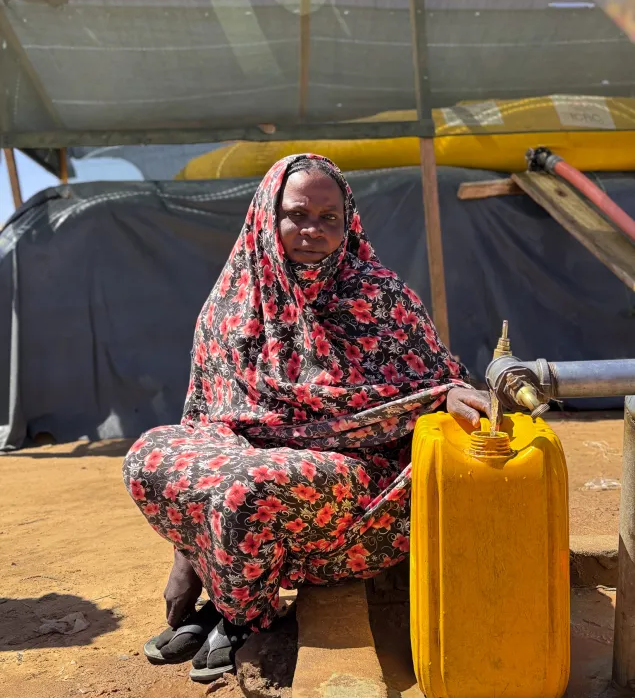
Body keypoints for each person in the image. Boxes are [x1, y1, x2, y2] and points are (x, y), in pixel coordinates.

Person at [123, 153, 490, 683]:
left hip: (358, 478)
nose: (312, 229)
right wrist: (186, 557)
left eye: (329, 218)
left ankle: (249, 618)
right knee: (149, 458)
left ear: (349, 224)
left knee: (245, 488)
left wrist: (451, 394)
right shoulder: (232, 302)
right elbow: (203, 417)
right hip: (248, 457)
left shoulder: (379, 295)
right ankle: (226, 580)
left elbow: (436, 380)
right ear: (267, 216)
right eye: (297, 214)